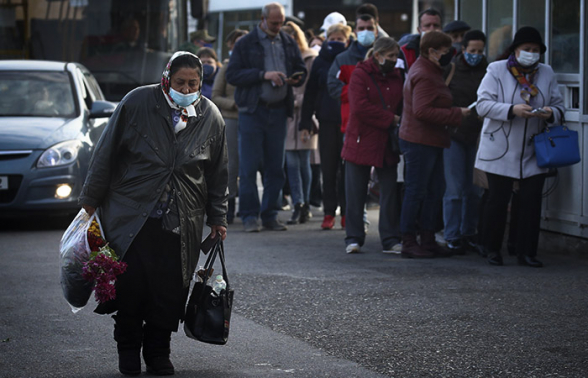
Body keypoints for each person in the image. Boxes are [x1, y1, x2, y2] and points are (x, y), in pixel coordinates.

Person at [78, 51, 228, 375]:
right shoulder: (136, 103)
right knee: (131, 288)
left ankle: (158, 351)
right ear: (166, 80)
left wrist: (218, 217)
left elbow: (218, 173)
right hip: (132, 215)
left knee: (170, 290)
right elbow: (105, 154)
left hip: (182, 219)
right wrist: (89, 204)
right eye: (180, 83)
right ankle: (129, 348)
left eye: (193, 84)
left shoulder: (211, 116)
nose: (186, 90)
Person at [475, 26, 564, 267]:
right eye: (527, 49)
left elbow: (559, 106)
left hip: (534, 148)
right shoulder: (496, 69)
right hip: (500, 146)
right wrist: (511, 110)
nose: (531, 54)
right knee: (498, 200)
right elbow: (482, 105)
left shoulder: (546, 72)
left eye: (536, 50)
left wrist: (550, 113)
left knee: (531, 201)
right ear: (515, 49)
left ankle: (526, 252)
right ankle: (492, 248)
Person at [225, 2, 307, 232]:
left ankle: (270, 214)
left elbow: (301, 69)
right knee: (249, 166)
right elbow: (233, 74)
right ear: (263, 20)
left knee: (275, 167)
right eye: (274, 23)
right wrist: (263, 75)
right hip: (253, 110)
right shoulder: (246, 43)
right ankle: (250, 215)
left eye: (280, 22)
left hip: (279, 110)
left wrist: (295, 78)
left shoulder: (288, 41)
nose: (278, 26)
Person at [399, 30, 470, 259]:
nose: (449, 54)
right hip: (420, 141)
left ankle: (427, 239)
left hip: (429, 139)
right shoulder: (426, 73)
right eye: (446, 50)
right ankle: (409, 241)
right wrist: (456, 113)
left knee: (433, 191)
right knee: (417, 191)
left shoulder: (427, 69)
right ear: (432, 51)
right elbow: (422, 110)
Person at [342, 37, 403, 254]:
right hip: (361, 139)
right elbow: (359, 107)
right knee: (355, 193)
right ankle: (354, 237)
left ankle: (390, 239)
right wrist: (392, 119)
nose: (395, 60)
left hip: (386, 142)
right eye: (391, 56)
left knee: (389, 193)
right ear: (377, 55)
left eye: (397, 56)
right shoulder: (360, 74)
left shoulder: (397, 76)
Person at [301, 23, 351, 230]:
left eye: (341, 39)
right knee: (329, 169)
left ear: (347, 41)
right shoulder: (321, 62)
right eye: (333, 39)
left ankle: (348, 213)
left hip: (350, 123)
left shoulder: (351, 59)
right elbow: (310, 93)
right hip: (328, 122)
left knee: (348, 171)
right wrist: (305, 122)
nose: (336, 42)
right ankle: (329, 212)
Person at [442, 30, 488, 254]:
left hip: (479, 136)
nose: (476, 55)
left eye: (480, 51)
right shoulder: (450, 69)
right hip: (454, 135)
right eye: (472, 51)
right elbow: (438, 99)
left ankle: (469, 233)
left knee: (474, 190)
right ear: (463, 50)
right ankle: (452, 235)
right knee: (454, 189)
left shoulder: (489, 71)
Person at [281, 21, 318, 224]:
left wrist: (298, 101)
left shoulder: (310, 58)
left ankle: (305, 205)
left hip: (305, 115)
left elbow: (313, 88)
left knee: (304, 162)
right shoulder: (280, 59)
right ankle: (298, 203)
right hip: (286, 115)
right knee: (292, 163)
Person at [211, 29, 248, 224]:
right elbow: (215, 96)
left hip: (252, 118)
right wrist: (233, 104)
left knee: (251, 165)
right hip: (232, 119)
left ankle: (251, 208)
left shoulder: (254, 65)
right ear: (231, 45)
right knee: (232, 165)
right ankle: (229, 208)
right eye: (238, 42)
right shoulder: (227, 66)